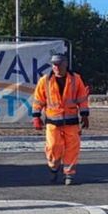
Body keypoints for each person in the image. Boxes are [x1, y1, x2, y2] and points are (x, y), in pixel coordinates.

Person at [32, 52, 90, 185]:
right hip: (53, 122)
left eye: (59, 64)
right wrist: (36, 116)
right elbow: (38, 100)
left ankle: (69, 174)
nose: (56, 67)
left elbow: (82, 99)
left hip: (71, 122)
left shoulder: (76, 79)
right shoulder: (45, 81)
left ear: (65, 64)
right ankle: (54, 168)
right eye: (54, 64)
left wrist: (85, 114)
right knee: (53, 146)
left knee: (72, 148)